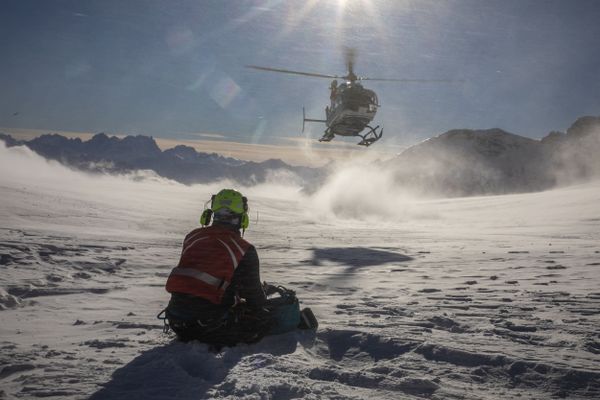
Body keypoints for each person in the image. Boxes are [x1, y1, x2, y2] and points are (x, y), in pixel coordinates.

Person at [162, 189, 316, 348]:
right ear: (243, 220)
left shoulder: (192, 236)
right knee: (264, 319)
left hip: (177, 323)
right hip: (211, 329)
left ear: (210, 215)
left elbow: (204, 280)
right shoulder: (243, 249)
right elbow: (256, 301)